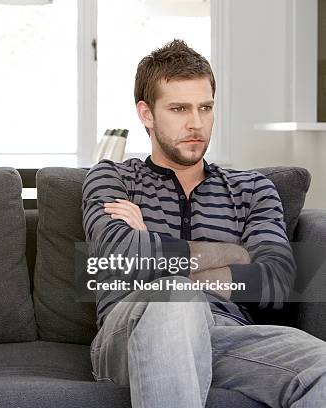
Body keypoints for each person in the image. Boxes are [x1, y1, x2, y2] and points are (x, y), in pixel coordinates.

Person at [82, 39, 326, 407]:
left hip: (227, 335)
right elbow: (118, 258)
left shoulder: (252, 189)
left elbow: (276, 282)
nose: (195, 123)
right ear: (146, 114)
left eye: (205, 108)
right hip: (131, 330)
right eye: (179, 109)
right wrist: (235, 254)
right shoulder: (114, 178)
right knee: (177, 299)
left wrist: (152, 248)